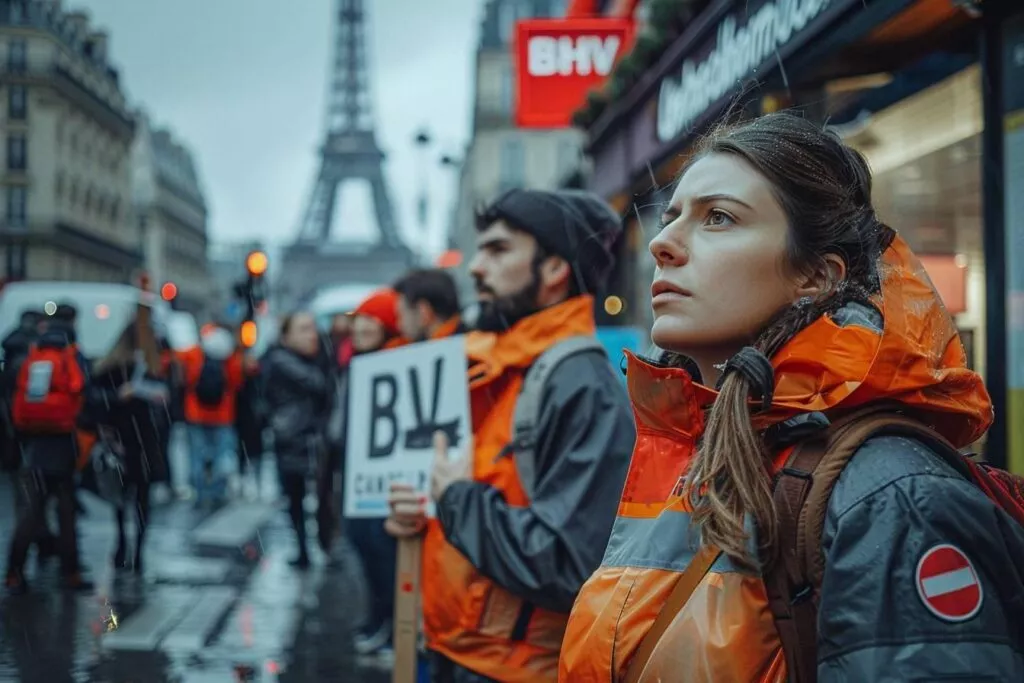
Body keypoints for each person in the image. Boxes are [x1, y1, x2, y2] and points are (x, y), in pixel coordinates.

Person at [558, 112, 1024, 682]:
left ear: (817, 278)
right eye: (673, 215)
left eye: (719, 218)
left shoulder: (892, 495)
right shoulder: (690, 454)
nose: (662, 243)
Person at [386, 188, 637, 682]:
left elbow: (568, 564)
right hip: (461, 654)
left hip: (514, 670)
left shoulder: (582, 386)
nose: (476, 267)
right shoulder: (496, 370)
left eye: (498, 250)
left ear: (554, 269)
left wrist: (456, 502)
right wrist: (423, 515)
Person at [345, 288, 404, 659]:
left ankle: (391, 625)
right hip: (357, 477)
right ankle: (379, 619)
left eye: (371, 319)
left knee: (384, 557)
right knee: (366, 550)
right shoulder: (358, 361)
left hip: (384, 481)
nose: (362, 327)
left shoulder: (393, 360)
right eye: (359, 319)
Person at [263, 311, 332, 569]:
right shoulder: (282, 360)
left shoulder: (307, 359)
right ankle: (305, 549)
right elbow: (319, 384)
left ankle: (310, 549)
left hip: (307, 439)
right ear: (286, 336)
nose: (311, 335)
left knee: (312, 498)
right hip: (294, 440)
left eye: (313, 328)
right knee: (297, 498)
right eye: (303, 329)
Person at [393, 268, 466, 343]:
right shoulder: (469, 343)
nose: (399, 326)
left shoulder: (460, 350)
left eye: (401, 315)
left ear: (424, 312)